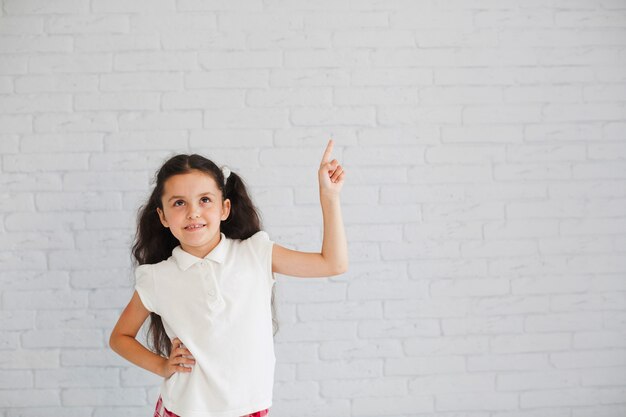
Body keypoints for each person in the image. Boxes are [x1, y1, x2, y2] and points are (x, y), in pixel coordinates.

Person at [109, 139, 348, 417]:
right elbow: (120, 337)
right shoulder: (156, 277)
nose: (193, 212)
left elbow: (333, 264)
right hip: (183, 410)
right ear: (162, 216)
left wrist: (329, 197)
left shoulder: (256, 253)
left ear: (224, 208)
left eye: (205, 200)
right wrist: (162, 365)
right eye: (179, 203)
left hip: (248, 408)